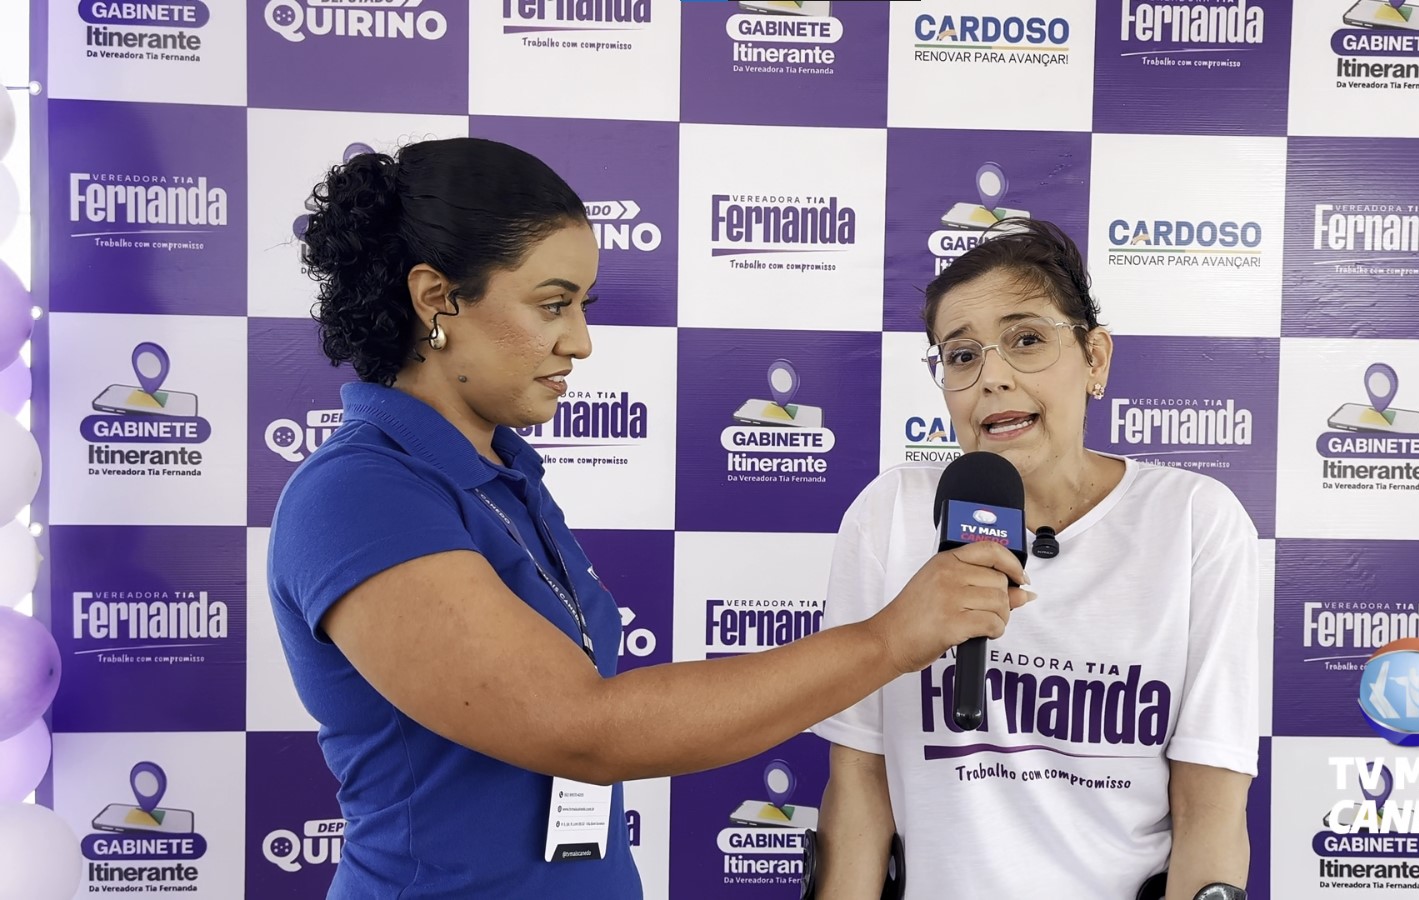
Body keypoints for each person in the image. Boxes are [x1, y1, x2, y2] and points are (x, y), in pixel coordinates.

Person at [265, 136, 1034, 899]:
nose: (581, 341)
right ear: (437, 298)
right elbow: (584, 730)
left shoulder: (505, 475)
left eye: (582, 306)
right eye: (553, 304)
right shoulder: (357, 494)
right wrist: (888, 639)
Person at [810, 219, 1260, 900]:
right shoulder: (891, 513)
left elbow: (1211, 807)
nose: (992, 378)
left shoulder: (1196, 519)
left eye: (1026, 340)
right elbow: (858, 786)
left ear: (1094, 358)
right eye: (962, 355)